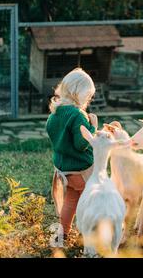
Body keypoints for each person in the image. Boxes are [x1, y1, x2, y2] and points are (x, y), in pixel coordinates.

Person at [46, 67, 98, 239]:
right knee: (91, 201)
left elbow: (53, 133)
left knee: (71, 201)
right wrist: (93, 127)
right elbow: (81, 144)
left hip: (64, 171)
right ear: (78, 92)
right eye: (88, 95)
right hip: (81, 170)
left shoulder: (55, 113)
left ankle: (63, 233)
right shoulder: (77, 116)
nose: (89, 99)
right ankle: (91, 233)